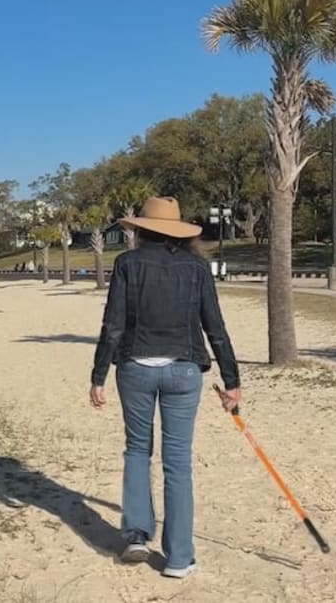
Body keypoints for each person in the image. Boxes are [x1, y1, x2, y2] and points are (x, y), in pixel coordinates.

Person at [88, 196, 240, 579]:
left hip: (135, 368)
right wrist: (232, 381)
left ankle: (137, 536)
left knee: (137, 450)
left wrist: (98, 375)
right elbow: (215, 327)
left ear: (140, 229)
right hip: (184, 369)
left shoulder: (126, 264)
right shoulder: (197, 267)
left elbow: (114, 324)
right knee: (178, 463)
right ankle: (178, 558)